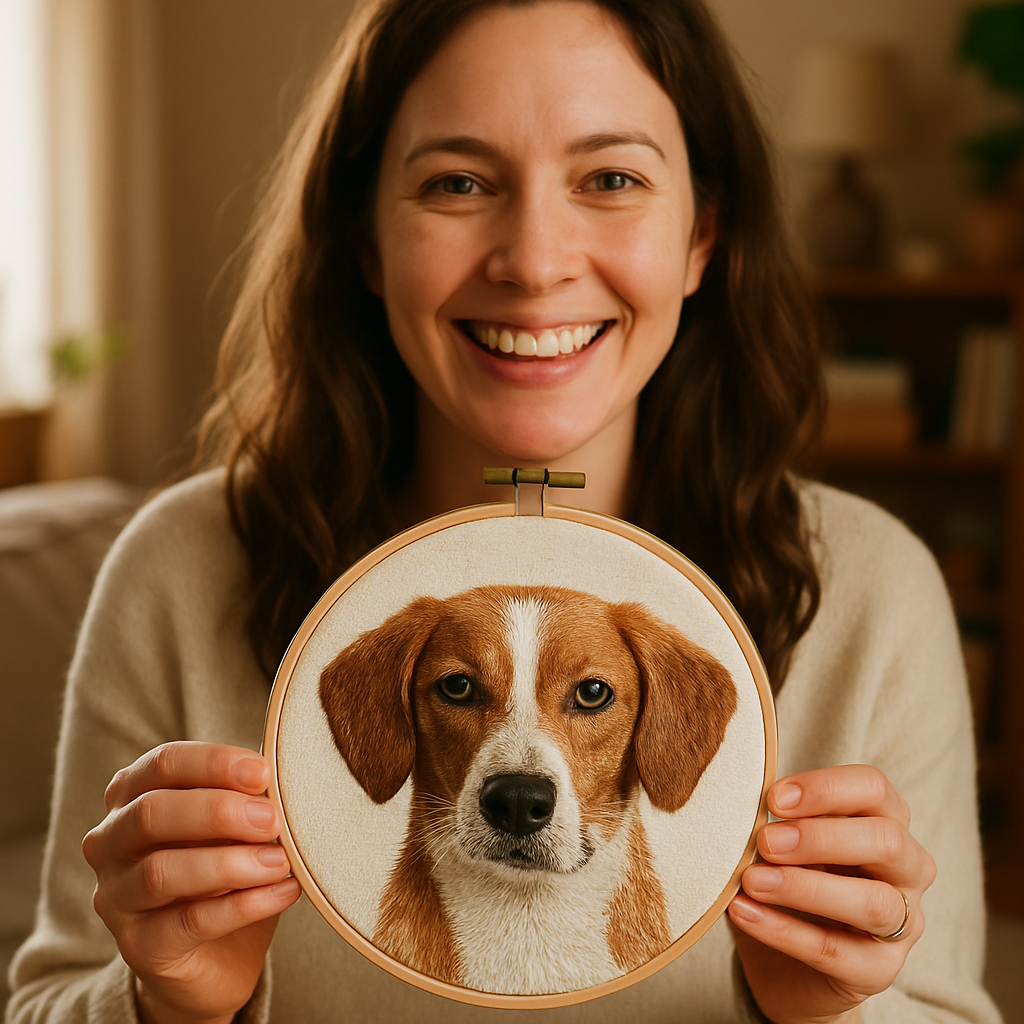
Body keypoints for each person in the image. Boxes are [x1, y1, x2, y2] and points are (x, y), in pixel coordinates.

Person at [6, 1, 1000, 1022]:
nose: (533, 261)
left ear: (702, 233)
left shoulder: (870, 588)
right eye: (457, 182)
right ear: (363, 235)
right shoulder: (181, 568)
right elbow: (47, 999)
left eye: (610, 178)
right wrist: (166, 1002)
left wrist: (831, 1011)